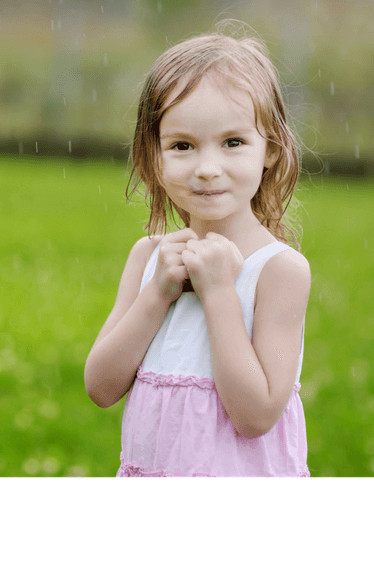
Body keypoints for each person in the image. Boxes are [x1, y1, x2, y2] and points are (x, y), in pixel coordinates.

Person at [84, 24, 312, 478]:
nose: (208, 169)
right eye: (183, 146)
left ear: (270, 148)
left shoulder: (280, 270)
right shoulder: (147, 258)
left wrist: (220, 294)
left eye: (233, 142)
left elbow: (256, 416)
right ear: (154, 156)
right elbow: (101, 387)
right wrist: (156, 294)